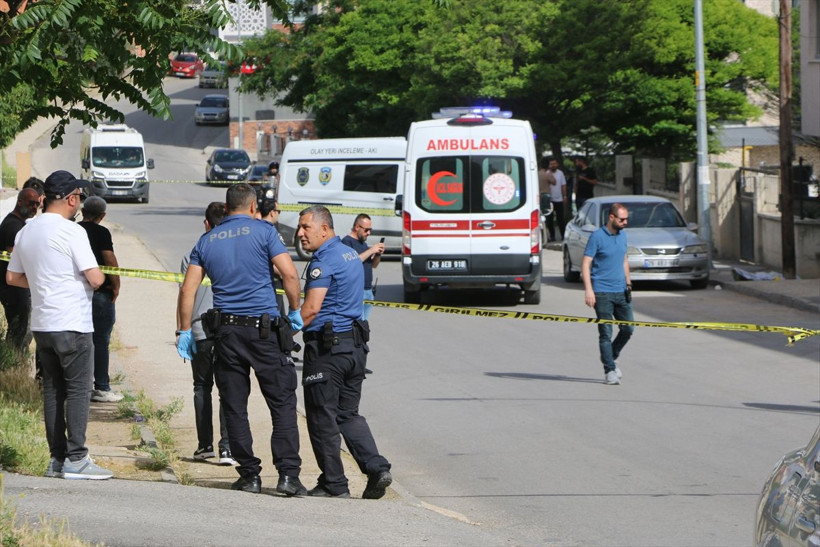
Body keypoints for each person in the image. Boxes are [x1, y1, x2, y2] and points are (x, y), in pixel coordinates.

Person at [176, 183, 306, 496]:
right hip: (264, 332)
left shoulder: (206, 241)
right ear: (251, 207)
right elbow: (289, 274)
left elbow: (188, 290)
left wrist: (183, 331)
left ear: (227, 205)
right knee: (282, 403)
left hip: (227, 333)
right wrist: (295, 311)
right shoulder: (264, 233)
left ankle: (249, 475)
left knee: (234, 405)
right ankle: (288, 476)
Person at [6, 170, 113, 479]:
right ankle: (78, 459)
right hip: (73, 324)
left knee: (53, 390)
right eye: (78, 198)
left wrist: (42, 283)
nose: (79, 204)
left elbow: (12, 277)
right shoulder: (72, 232)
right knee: (79, 389)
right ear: (70, 198)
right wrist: (102, 278)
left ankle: (57, 460)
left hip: (43, 324)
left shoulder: (26, 231)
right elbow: (94, 277)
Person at [293, 205, 392, 499]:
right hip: (355, 347)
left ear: (325, 229)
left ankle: (334, 484)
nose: (300, 233)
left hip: (328, 350)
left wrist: (286, 330)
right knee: (348, 414)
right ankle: (377, 468)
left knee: (322, 415)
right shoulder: (349, 254)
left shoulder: (323, 260)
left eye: (305, 227)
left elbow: (310, 310)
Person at [178, 202, 235, 465]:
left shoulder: (195, 252)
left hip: (200, 329)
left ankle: (205, 446)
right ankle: (227, 448)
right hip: (229, 329)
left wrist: (182, 330)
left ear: (206, 224)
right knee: (228, 388)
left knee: (202, 387)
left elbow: (184, 294)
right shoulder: (235, 251)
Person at [581, 203, 634, 386]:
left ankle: (611, 356)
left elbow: (624, 260)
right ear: (611, 217)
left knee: (628, 329)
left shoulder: (623, 236)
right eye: (622, 219)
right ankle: (609, 370)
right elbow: (586, 263)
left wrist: (628, 283)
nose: (625, 222)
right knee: (606, 332)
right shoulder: (597, 237)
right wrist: (589, 290)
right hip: (602, 292)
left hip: (621, 290)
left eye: (626, 219)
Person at [78, 197, 124, 403]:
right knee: (101, 341)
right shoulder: (102, 233)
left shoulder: (73, 230)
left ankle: (78, 385)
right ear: (102, 216)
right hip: (100, 294)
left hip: (77, 292)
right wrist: (115, 286)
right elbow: (110, 261)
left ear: (83, 210)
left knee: (79, 340)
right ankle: (102, 387)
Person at [0, 187, 40, 351]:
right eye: (31, 203)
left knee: (22, 328)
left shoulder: (18, 224)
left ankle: (15, 362)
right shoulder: (13, 227)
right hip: (13, 288)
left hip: (16, 286)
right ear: (20, 201)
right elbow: (15, 259)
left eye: (37, 204)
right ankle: (12, 363)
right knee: (19, 329)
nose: (34, 208)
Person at [340, 214, 384, 322]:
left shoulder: (363, 244)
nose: (368, 233)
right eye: (366, 230)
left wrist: (378, 254)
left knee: (364, 324)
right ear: (357, 227)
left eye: (370, 230)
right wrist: (371, 250)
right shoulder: (347, 242)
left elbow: (374, 265)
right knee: (358, 324)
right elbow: (351, 262)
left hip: (368, 290)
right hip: (357, 291)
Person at [545, 157, 568, 241]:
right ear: (549, 165)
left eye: (554, 164)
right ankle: (552, 236)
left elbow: (563, 185)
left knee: (560, 218)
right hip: (549, 199)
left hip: (559, 199)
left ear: (557, 164)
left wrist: (564, 196)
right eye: (551, 164)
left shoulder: (560, 173)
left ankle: (563, 235)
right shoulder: (546, 173)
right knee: (549, 219)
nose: (553, 165)